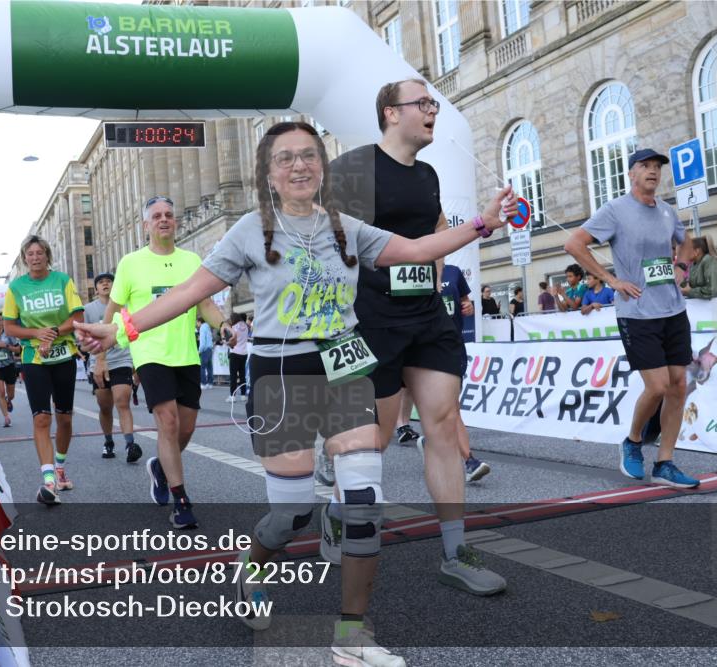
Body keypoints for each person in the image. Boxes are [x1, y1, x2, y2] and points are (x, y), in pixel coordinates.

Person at [75, 121, 516, 665]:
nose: (299, 165)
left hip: (345, 367)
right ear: (269, 172)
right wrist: (120, 330)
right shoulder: (250, 230)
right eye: (285, 158)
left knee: (364, 505)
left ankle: (352, 636)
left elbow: (419, 248)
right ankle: (251, 565)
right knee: (293, 513)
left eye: (308, 155)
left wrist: (482, 223)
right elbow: (190, 291)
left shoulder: (346, 228)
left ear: (322, 167)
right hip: (281, 373)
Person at [327, 77, 508, 598]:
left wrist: (437, 277)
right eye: (423, 103)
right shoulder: (355, 168)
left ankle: (456, 552)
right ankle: (338, 510)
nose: (433, 111)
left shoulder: (428, 174)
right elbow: (331, 244)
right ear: (391, 113)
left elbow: (436, 231)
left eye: (434, 103)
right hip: (370, 320)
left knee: (443, 425)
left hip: (427, 318)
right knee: (376, 440)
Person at [565, 147, 700, 488]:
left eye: (657, 167)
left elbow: (687, 243)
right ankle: (633, 440)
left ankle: (665, 462)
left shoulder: (667, 211)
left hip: (673, 310)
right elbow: (575, 244)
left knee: (678, 385)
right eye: (645, 166)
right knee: (657, 386)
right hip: (637, 312)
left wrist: (681, 269)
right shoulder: (615, 210)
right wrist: (611, 280)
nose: (653, 171)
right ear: (631, 173)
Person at [102, 195, 227, 530]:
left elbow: (205, 304)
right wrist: (101, 355)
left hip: (185, 354)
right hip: (149, 353)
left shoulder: (191, 260)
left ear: (175, 222)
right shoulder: (131, 263)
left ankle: (160, 468)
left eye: (169, 214)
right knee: (167, 422)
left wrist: (224, 325)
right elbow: (111, 312)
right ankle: (181, 501)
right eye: (156, 215)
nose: (163, 219)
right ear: (146, 225)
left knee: (185, 429)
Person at [3, 235, 84, 505]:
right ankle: (49, 481)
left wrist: (52, 333)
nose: (35, 257)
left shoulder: (63, 281)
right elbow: (10, 327)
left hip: (63, 355)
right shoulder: (16, 288)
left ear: (47, 255)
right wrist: (37, 334)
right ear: (24, 258)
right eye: (30, 254)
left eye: (39, 253)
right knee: (41, 419)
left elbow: (77, 318)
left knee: (65, 419)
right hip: (33, 357)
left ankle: (60, 467)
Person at [84, 271, 142, 462]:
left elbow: (135, 333)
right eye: (101, 282)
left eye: (109, 281)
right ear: (96, 289)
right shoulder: (88, 310)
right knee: (105, 406)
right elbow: (82, 336)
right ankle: (108, 441)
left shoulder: (125, 307)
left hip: (122, 360)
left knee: (122, 401)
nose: (105, 284)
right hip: (98, 364)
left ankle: (130, 444)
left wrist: (137, 364)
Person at [440, 264, 490, 482]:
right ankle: (470, 461)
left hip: (454, 345)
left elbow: (465, 301)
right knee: (451, 406)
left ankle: (432, 441)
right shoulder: (414, 268)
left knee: (449, 406)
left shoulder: (453, 271)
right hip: (426, 346)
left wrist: (468, 306)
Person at [0, 311, 21, 427]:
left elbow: (18, 350)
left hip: (9, 366)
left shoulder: (9, 334)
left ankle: (8, 400)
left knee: (11, 395)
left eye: (1, 320)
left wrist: (6, 346)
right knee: (1, 391)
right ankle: (6, 417)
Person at [224, 313, 250, 402]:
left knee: (233, 376)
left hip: (234, 352)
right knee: (242, 375)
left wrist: (226, 342)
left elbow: (229, 340)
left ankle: (232, 396)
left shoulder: (234, 327)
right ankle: (243, 395)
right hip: (244, 353)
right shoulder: (246, 327)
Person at [197, 317, 214, 389]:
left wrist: (199, 350)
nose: (196, 324)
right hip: (210, 349)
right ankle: (210, 383)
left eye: (197, 322)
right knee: (209, 367)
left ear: (199, 322)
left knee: (202, 367)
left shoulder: (202, 328)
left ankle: (203, 383)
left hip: (204, 349)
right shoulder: (208, 327)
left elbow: (203, 342)